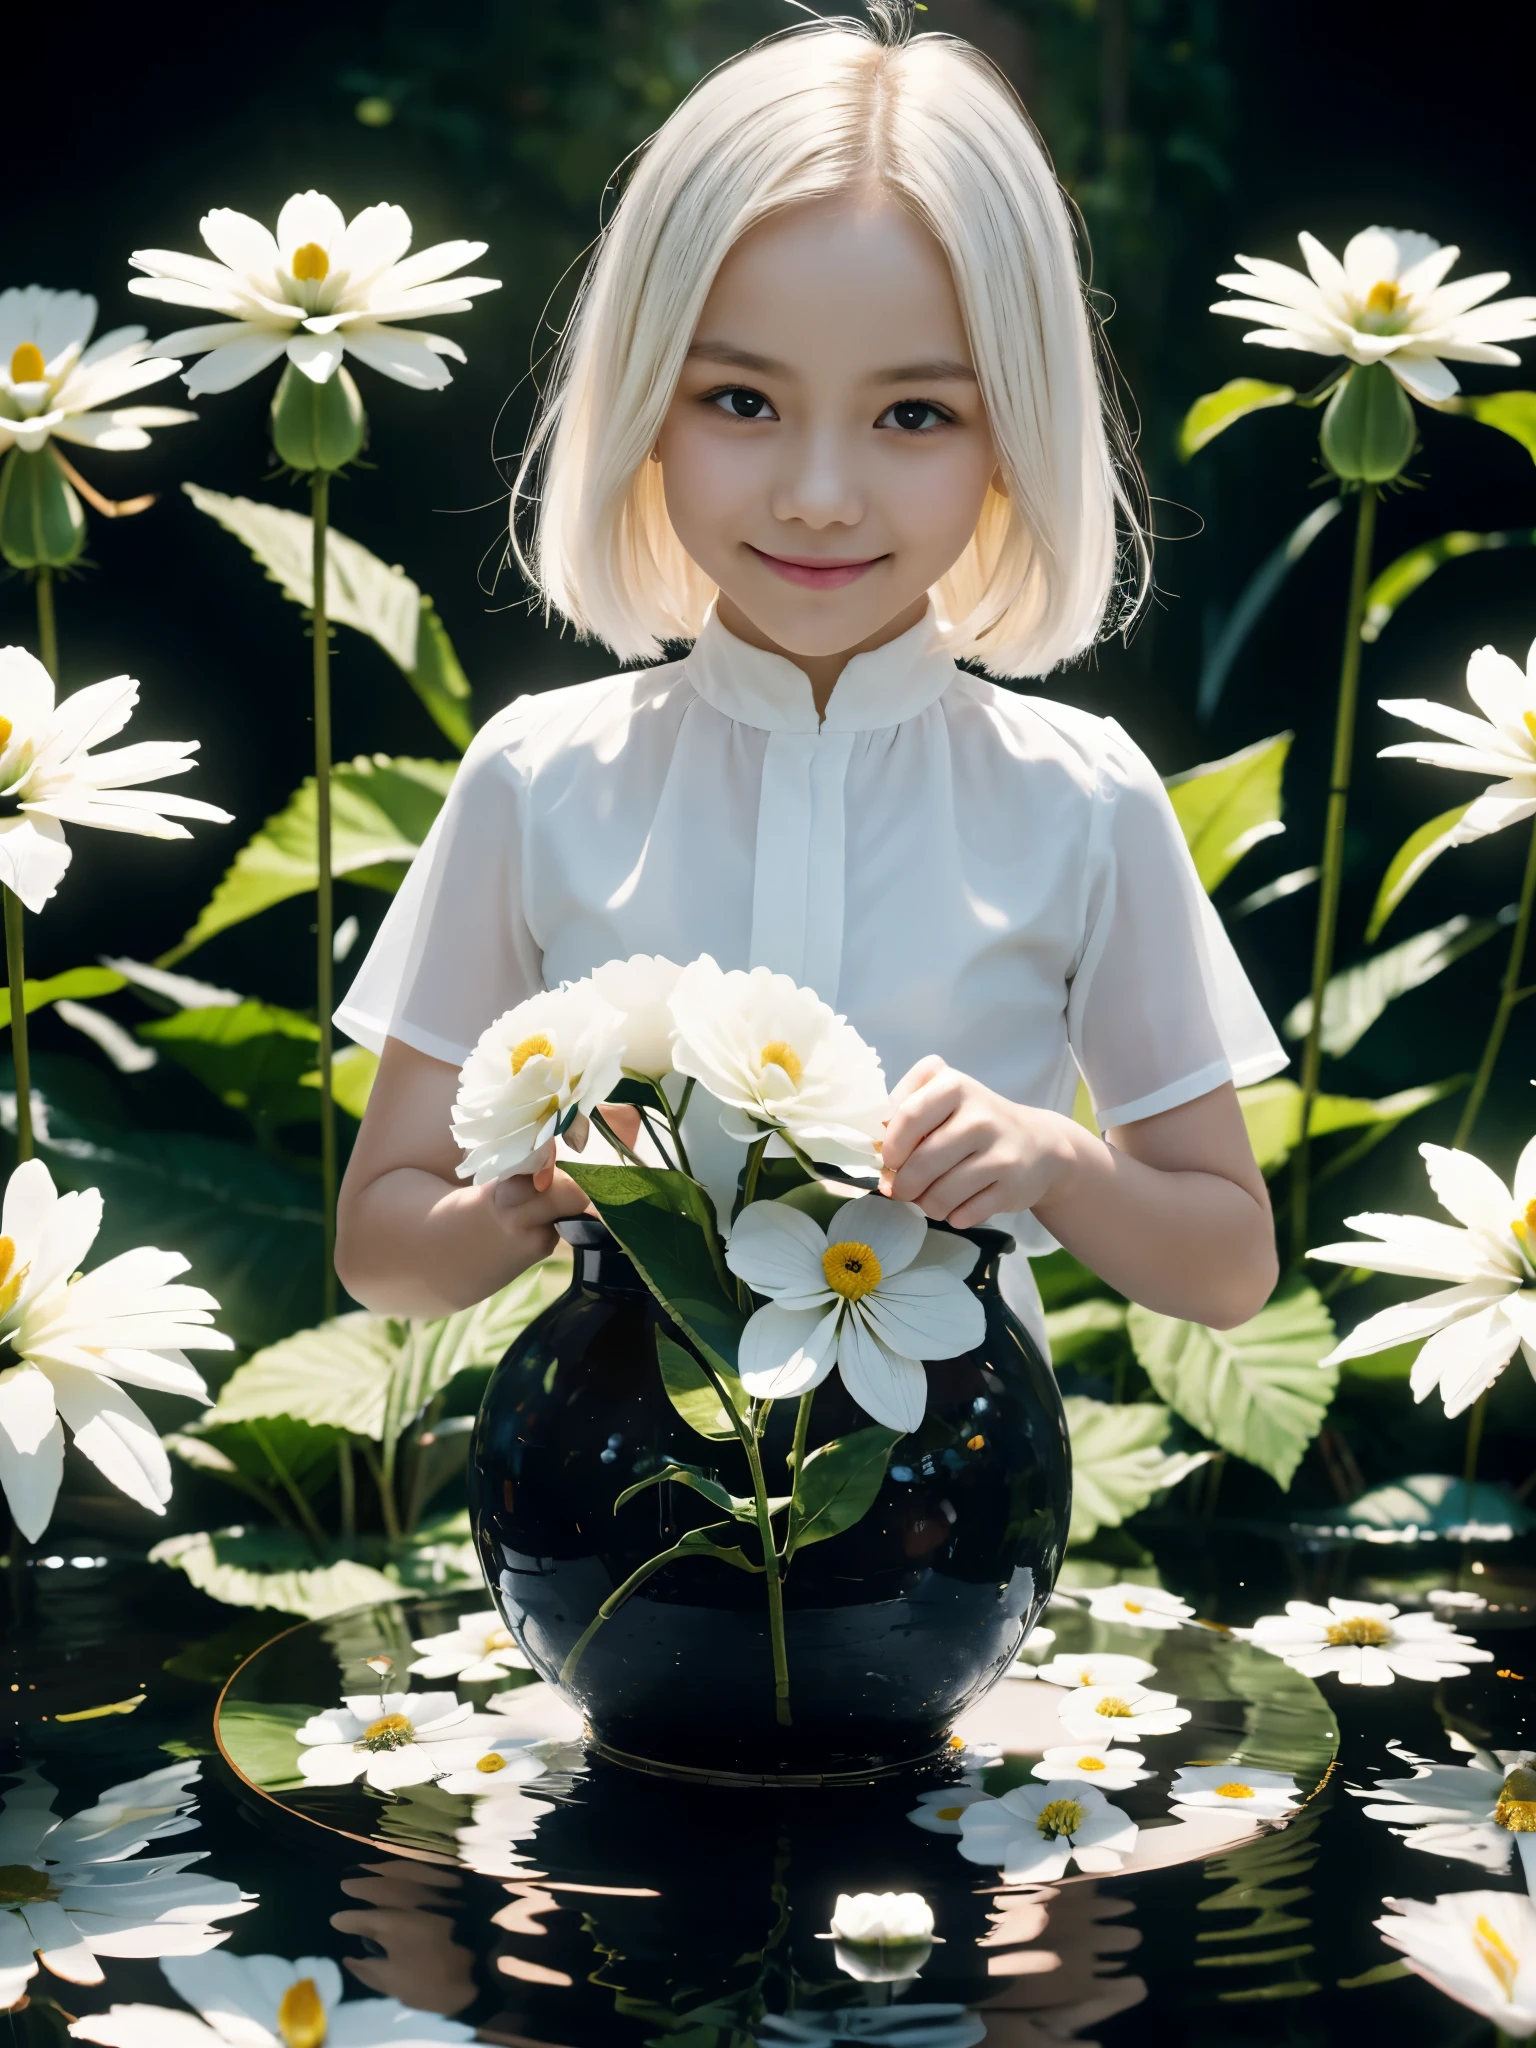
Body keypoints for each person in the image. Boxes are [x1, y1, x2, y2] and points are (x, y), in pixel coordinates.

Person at [334, 4, 1282, 1349]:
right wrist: (533, 1198)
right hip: (603, 1521)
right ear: (646, 403)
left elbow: (1229, 1265)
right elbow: (381, 1245)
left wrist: (1055, 1162)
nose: (822, 496)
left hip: (963, 1517)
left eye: (914, 414)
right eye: (741, 401)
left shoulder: (1081, 799)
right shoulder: (540, 779)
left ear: (1012, 434)